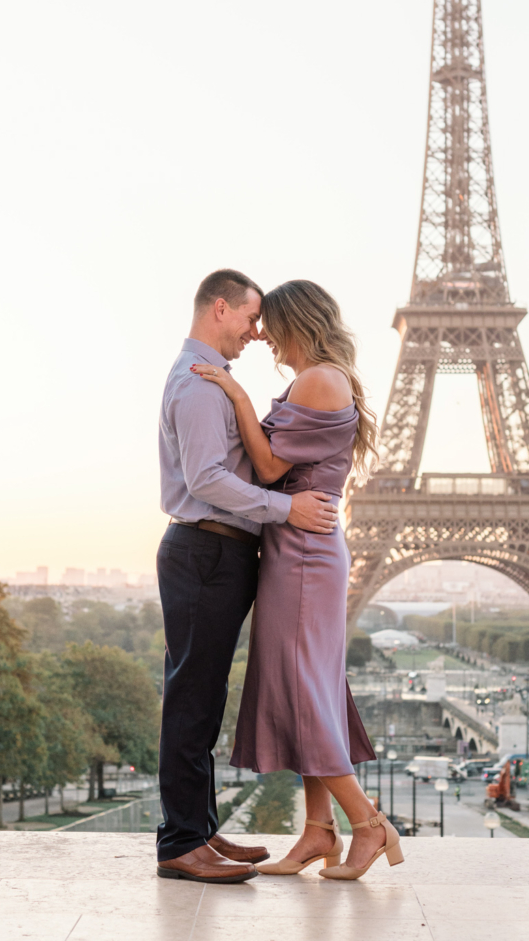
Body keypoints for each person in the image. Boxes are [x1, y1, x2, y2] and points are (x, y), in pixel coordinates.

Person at [192, 278, 404, 881]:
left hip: (304, 556)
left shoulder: (317, 380)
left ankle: (367, 825)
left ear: (296, 325)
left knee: (303, 690)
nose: (262, 339)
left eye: (270, 327)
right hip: (299, 547)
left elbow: (267, 465)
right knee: (311, 687)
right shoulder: (319, 379)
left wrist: (234, 394)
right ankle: (318, 831)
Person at [156, 269, 339, 884]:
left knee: (202, 700)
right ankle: (182, 841)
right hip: (206, 551)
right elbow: (208, 480)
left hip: (217, 553)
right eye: (249, 317)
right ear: (219, 308)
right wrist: (288, 510)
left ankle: (198, 831)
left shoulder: (215, 382)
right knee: (192, 699)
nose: (256, 333)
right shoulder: (203, 386)